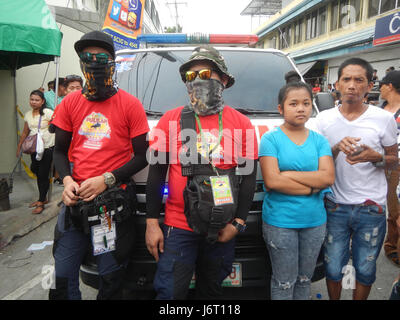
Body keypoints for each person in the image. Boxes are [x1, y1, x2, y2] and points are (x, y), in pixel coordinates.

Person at [145, 45, 258, 300]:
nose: (197, 80)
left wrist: (238, 224)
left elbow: (249, 177)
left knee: (212, 292)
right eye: (190, 76)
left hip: (223, 226)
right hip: (178, 226)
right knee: (170, 293)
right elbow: (156, 174)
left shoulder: (242, 123)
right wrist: (152, 223)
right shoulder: (169, 120)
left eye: (206, 74)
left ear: (224, 80)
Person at [48, 30, 149, 300]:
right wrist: (68, 181)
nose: (94, 61)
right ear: (80, 61)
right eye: (87, 56)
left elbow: (142, 155)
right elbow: (59, 150)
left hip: (110, 207)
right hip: (76, 201)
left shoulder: (130, 105)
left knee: (111, 276)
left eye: (101, 56)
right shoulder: (69, 103)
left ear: (112, 61)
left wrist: (107, 179)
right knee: (61, 278)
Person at [316, 57, 398, 300]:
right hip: (335, 204)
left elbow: (394, 160)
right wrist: (335, 148)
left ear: (369, 84)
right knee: (332, 267)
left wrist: (376, 157)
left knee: (365, 268)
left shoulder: (383, 119)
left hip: (370, 207)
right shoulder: (323, 120)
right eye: (346, 79)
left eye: (359, 80)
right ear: (337, 84)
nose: (352, 85)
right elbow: (315, 160)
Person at [259, 81, 334, 300]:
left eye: (306, 103)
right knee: (284, 281)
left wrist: (288, 175)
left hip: (314, 222)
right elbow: (272, 181)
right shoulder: (270, 139)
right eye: (293, 104)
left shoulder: (319, 140)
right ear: (280, 108)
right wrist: (312, 187)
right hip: (280, 222)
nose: (301, 108)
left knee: (304, 280)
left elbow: (328, 177)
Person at [16, 90, 55, 214]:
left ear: (42, 101)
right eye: (31, 99)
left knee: (42, 175)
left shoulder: (48, 113)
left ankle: (41, 201)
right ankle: (42, 198)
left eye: (37, 100)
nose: (33, 102)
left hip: (47, 148)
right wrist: (19, 147)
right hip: (34, 148)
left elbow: (58, 126)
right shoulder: (28, 114)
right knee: (36, 171)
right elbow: (25, 132)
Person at [380, 71, 400, 266]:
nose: (380, 88)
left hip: (397, 165)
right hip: (379, 163)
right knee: (390, 207)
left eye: (382, 84)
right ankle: (391, 245)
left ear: (391, 86)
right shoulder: (380, 109)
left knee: (396, 209)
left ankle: (393, 246)